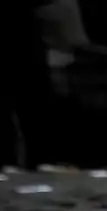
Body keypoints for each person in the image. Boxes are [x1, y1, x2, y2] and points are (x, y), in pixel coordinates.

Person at [1, 0, 54, 171]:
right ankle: (35, 160)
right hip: (23, 31)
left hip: (24, 31)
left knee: (33, 101)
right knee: (32, 101)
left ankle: (38, 160)